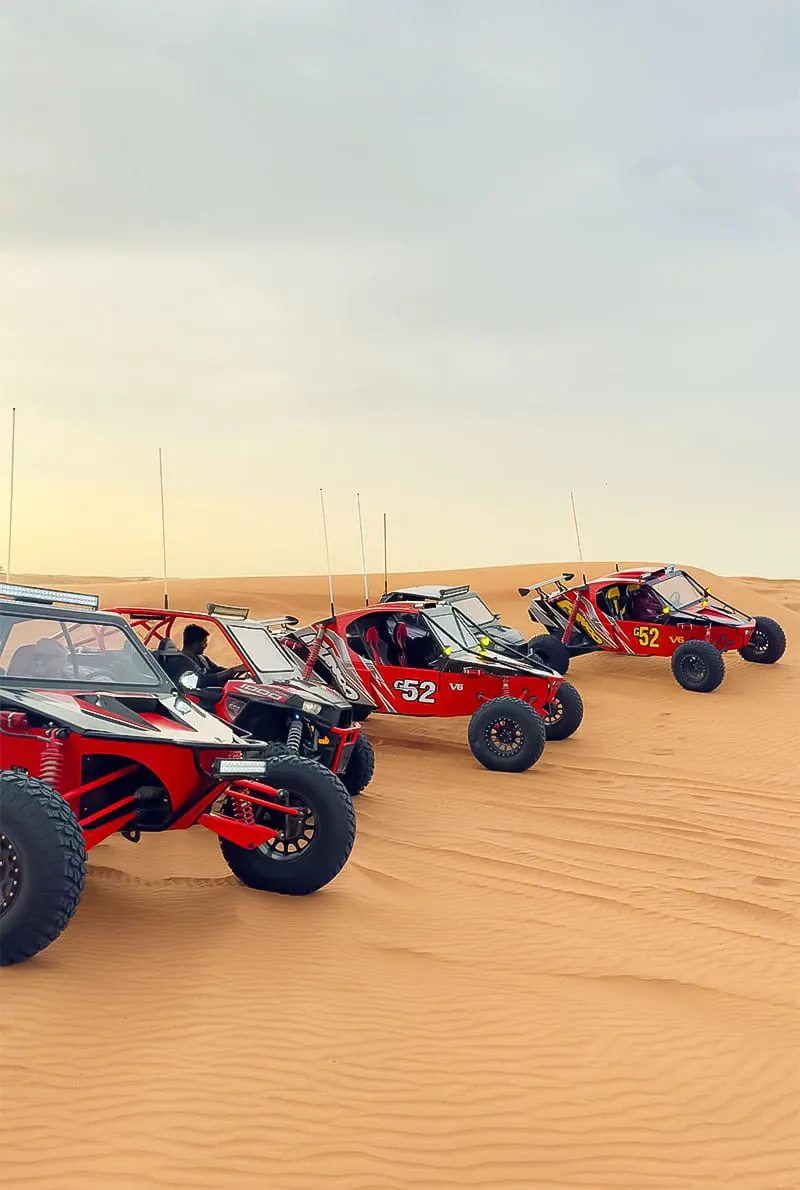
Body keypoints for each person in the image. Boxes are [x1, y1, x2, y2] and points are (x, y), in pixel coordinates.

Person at [180, 624, 247, 686]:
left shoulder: (202, 659)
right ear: (196, 643)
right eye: (204, 642)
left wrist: (239, 669)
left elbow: (218, 671)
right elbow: (201, 681)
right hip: (198, 694)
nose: (206, 645)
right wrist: (232, 670)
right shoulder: (180, 661)